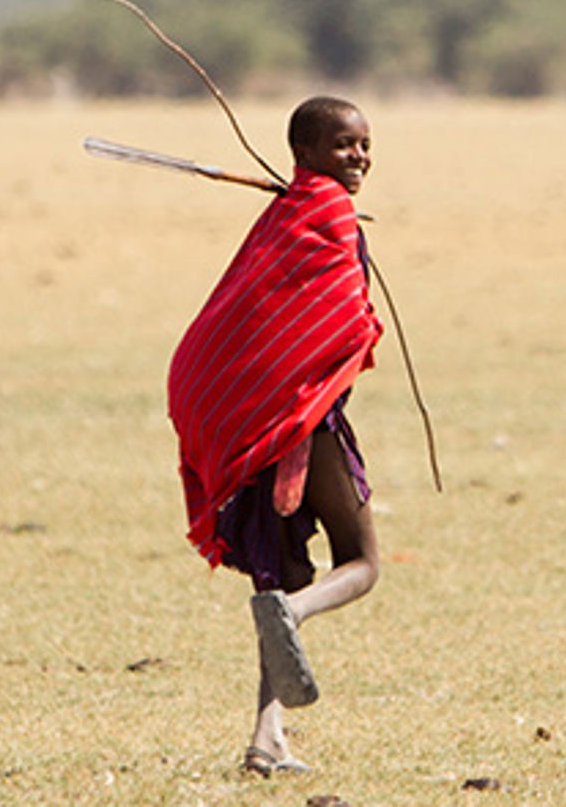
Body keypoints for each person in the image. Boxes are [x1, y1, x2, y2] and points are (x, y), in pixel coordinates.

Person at [167, 96, 383, 777]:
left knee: (281, 572)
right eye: (344, 145)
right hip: (301, 419)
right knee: (362, 563)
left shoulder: (292, 210)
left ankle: (266, 741)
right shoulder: (325, 212)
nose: (359, 158)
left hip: (264, 422)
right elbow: (340, 316)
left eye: (365, 146)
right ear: (308, 151)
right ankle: (296, 611)